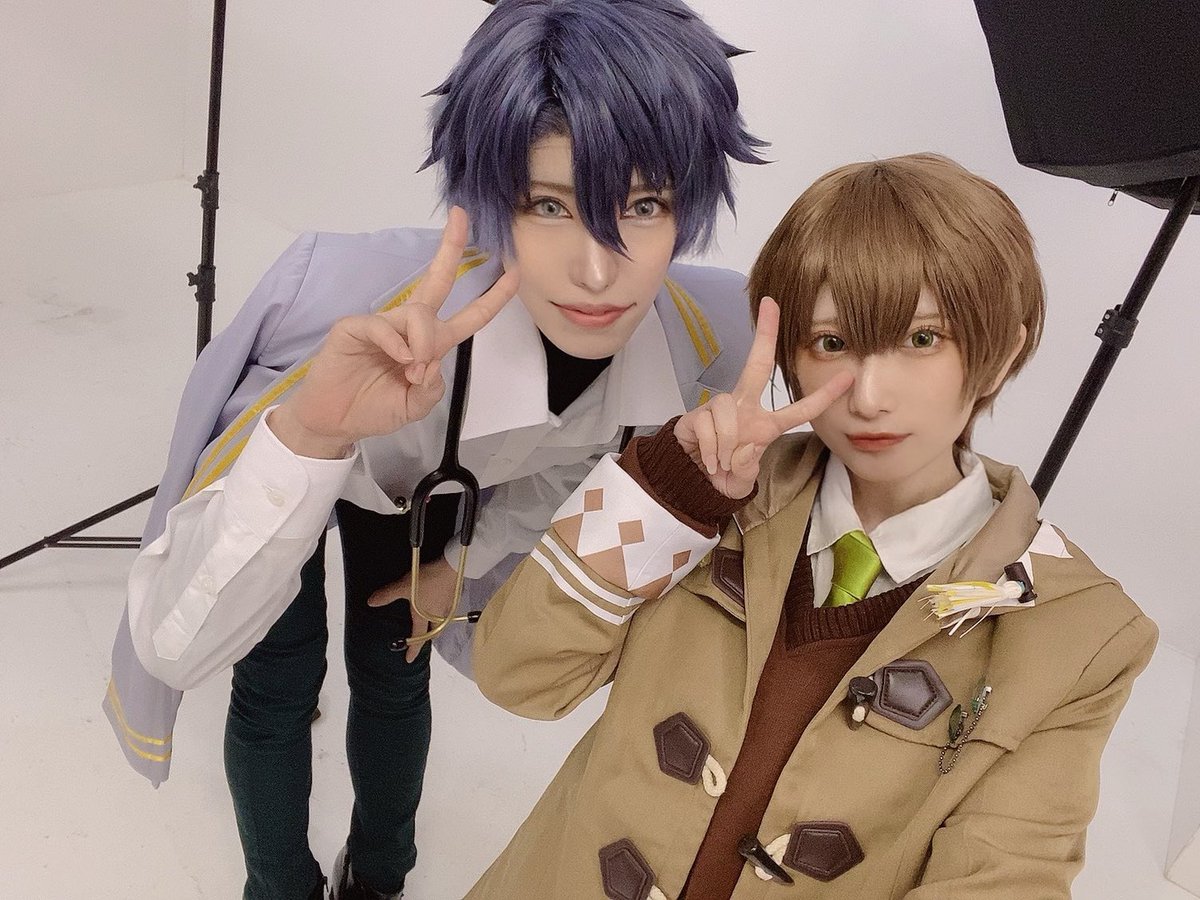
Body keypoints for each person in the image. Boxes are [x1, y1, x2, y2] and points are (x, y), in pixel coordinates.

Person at [102, 1, 767, 898]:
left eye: (643, 205)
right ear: (490, 202)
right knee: (275, 685)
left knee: (395, 667)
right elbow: (175, 644)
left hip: (420, 494)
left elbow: (571, 464)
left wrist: (463, 565)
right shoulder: (333, 315)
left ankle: (380, 876)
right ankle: (278, 886)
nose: (597, 270)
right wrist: (314, 432)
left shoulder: (692, 348)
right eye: (548, 205)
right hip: (298, 459)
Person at [470, 153, 1159, 898]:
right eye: (832, 343)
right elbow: (518, 676)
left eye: (922, 339)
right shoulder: (703, 492)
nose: (868, 396)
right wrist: (666, 497)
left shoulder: (1082, 633)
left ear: (1002, 353)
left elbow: (1006, 876)